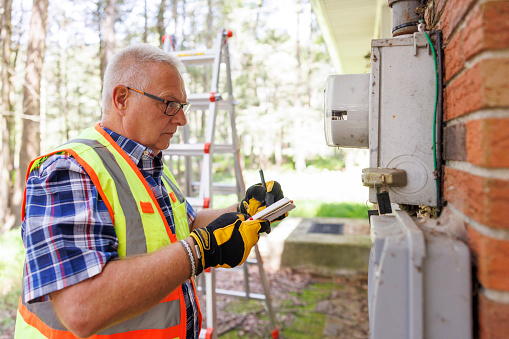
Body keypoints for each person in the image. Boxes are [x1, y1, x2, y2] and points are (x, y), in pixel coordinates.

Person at [14, 43, 285, 339]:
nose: (181, 119)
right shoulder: (68, 169)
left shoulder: (148, 163)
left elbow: (185, 225)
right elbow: (81, 309)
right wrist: (200, 251)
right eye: (169, 103)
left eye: (183, 107)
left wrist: (244, 211)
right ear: (122, 99)